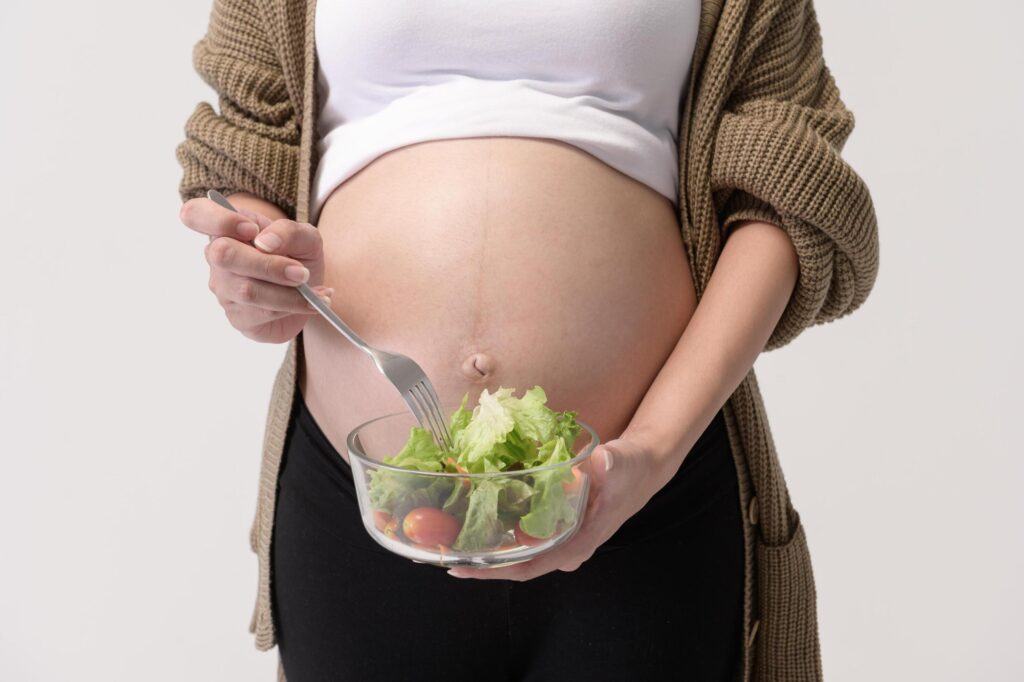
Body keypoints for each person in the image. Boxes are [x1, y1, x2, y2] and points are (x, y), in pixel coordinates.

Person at [175, 0, 879, 680]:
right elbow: (245, 148)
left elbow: (787, 185)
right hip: (368, 507)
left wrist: (655, 450)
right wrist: (258, 263)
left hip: (646, 500)